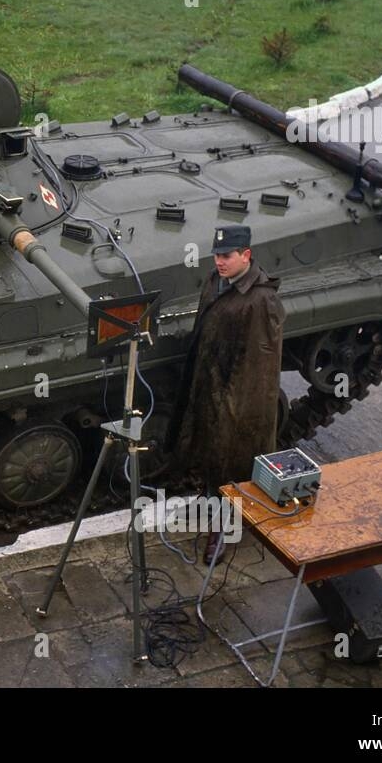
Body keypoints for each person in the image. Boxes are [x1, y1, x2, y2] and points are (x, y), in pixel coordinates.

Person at [165, 226, 284, 565]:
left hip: (238, 398)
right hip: (208, 382)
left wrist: (237, 410)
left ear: (246, 255)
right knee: (207, 452)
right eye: (217, 255)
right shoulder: (217, 281)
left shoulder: (261, 300)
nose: (219, 262)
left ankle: (225, 526)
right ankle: (209, 500)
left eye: (227, 256)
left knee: (232, 461)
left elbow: (260, 368)